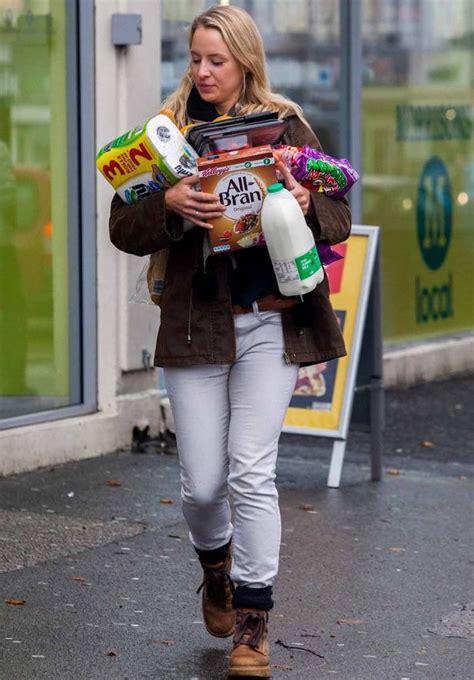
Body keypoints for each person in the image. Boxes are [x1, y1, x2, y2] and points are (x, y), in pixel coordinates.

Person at [109, 5, 350, 678]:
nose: (203, 71)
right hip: (195, 327)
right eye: (195, 57)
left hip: (273, 321)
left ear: (244, 60)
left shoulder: (285, 123)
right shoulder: (165, 138)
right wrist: (172, 205)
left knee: (250, 469)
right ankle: (215, 570)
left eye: (216, 59)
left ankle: (253, 628)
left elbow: (339, 212)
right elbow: (122, 228)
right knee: (202, 486)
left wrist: (305, 201)